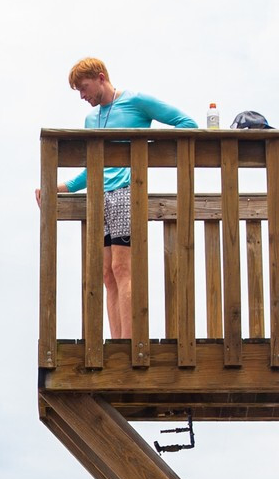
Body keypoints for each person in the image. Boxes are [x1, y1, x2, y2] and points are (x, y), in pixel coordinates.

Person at [44, 57, 197, 340]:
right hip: (99, 196)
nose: (82, 96)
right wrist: (59, 188)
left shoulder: (135, 102)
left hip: (126, 192)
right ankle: (117, 343)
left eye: (84, 87)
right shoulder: (91, 119)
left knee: (122, 267)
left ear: (100, 78)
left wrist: (146, 151)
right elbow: (93, 168)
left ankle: (129, 342)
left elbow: (187, 123)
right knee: (106, 273)